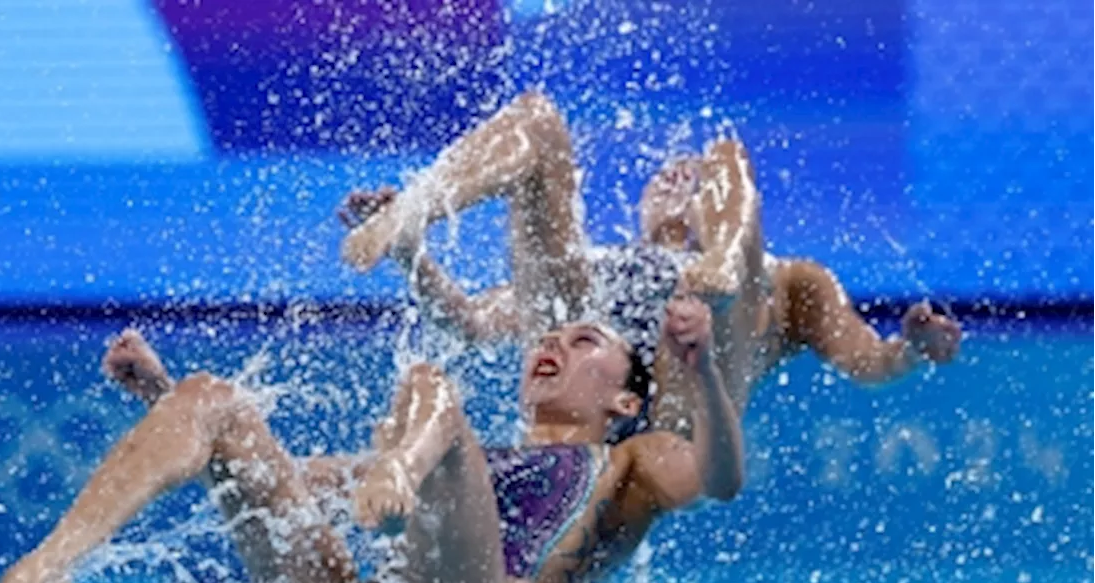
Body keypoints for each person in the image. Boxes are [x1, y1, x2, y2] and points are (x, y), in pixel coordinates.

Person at [0, 295, 742, 583]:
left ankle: (402, 479)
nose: (556, 343)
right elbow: (283, 489)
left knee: (430, 388)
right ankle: (50, 564)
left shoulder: (630, 459)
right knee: (216, 402)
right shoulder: (466, 452)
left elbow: (720, 477)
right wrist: (166, 399)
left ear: (626, 398)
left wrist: (702, 370)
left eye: (586, 343)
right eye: (554, 334)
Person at [339, 89, 962, 436]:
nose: (676, 179)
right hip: (606, 383)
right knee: (539, 120)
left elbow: (869, 362)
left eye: (694, 185)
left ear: (720, 210)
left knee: (728, 151)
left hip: (692, 391)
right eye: (668, 177)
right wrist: (410, 258)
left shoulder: (792, 281)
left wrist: (913, 350)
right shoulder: (605, 264)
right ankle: (418, 207)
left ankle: (716, 262)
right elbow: (472, 324)